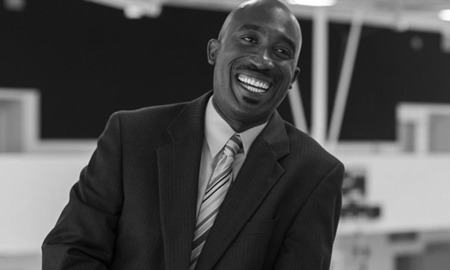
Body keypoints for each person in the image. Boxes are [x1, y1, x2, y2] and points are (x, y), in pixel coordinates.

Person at [42, 0, 344, 269]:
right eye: (249, 39)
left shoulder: (314, 175)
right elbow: (70, 250)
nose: (263, 60)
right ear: (214, 51)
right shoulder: (131, 136)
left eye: (281, 51)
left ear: (293, 77)